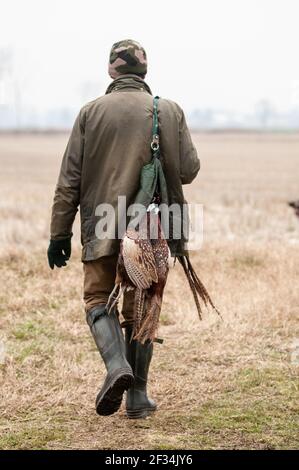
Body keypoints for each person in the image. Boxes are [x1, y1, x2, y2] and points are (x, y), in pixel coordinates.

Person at [48, 39, 200, 419]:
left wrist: (59, 234)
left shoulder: (90, 113)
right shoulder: (168, 110)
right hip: (151, 227)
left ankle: (117, 367)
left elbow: (69, 180)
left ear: (112, 70)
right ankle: (137, 398)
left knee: (98, 300)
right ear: (144, 71)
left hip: (102, 222)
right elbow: (189, 170)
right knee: (143, 309)